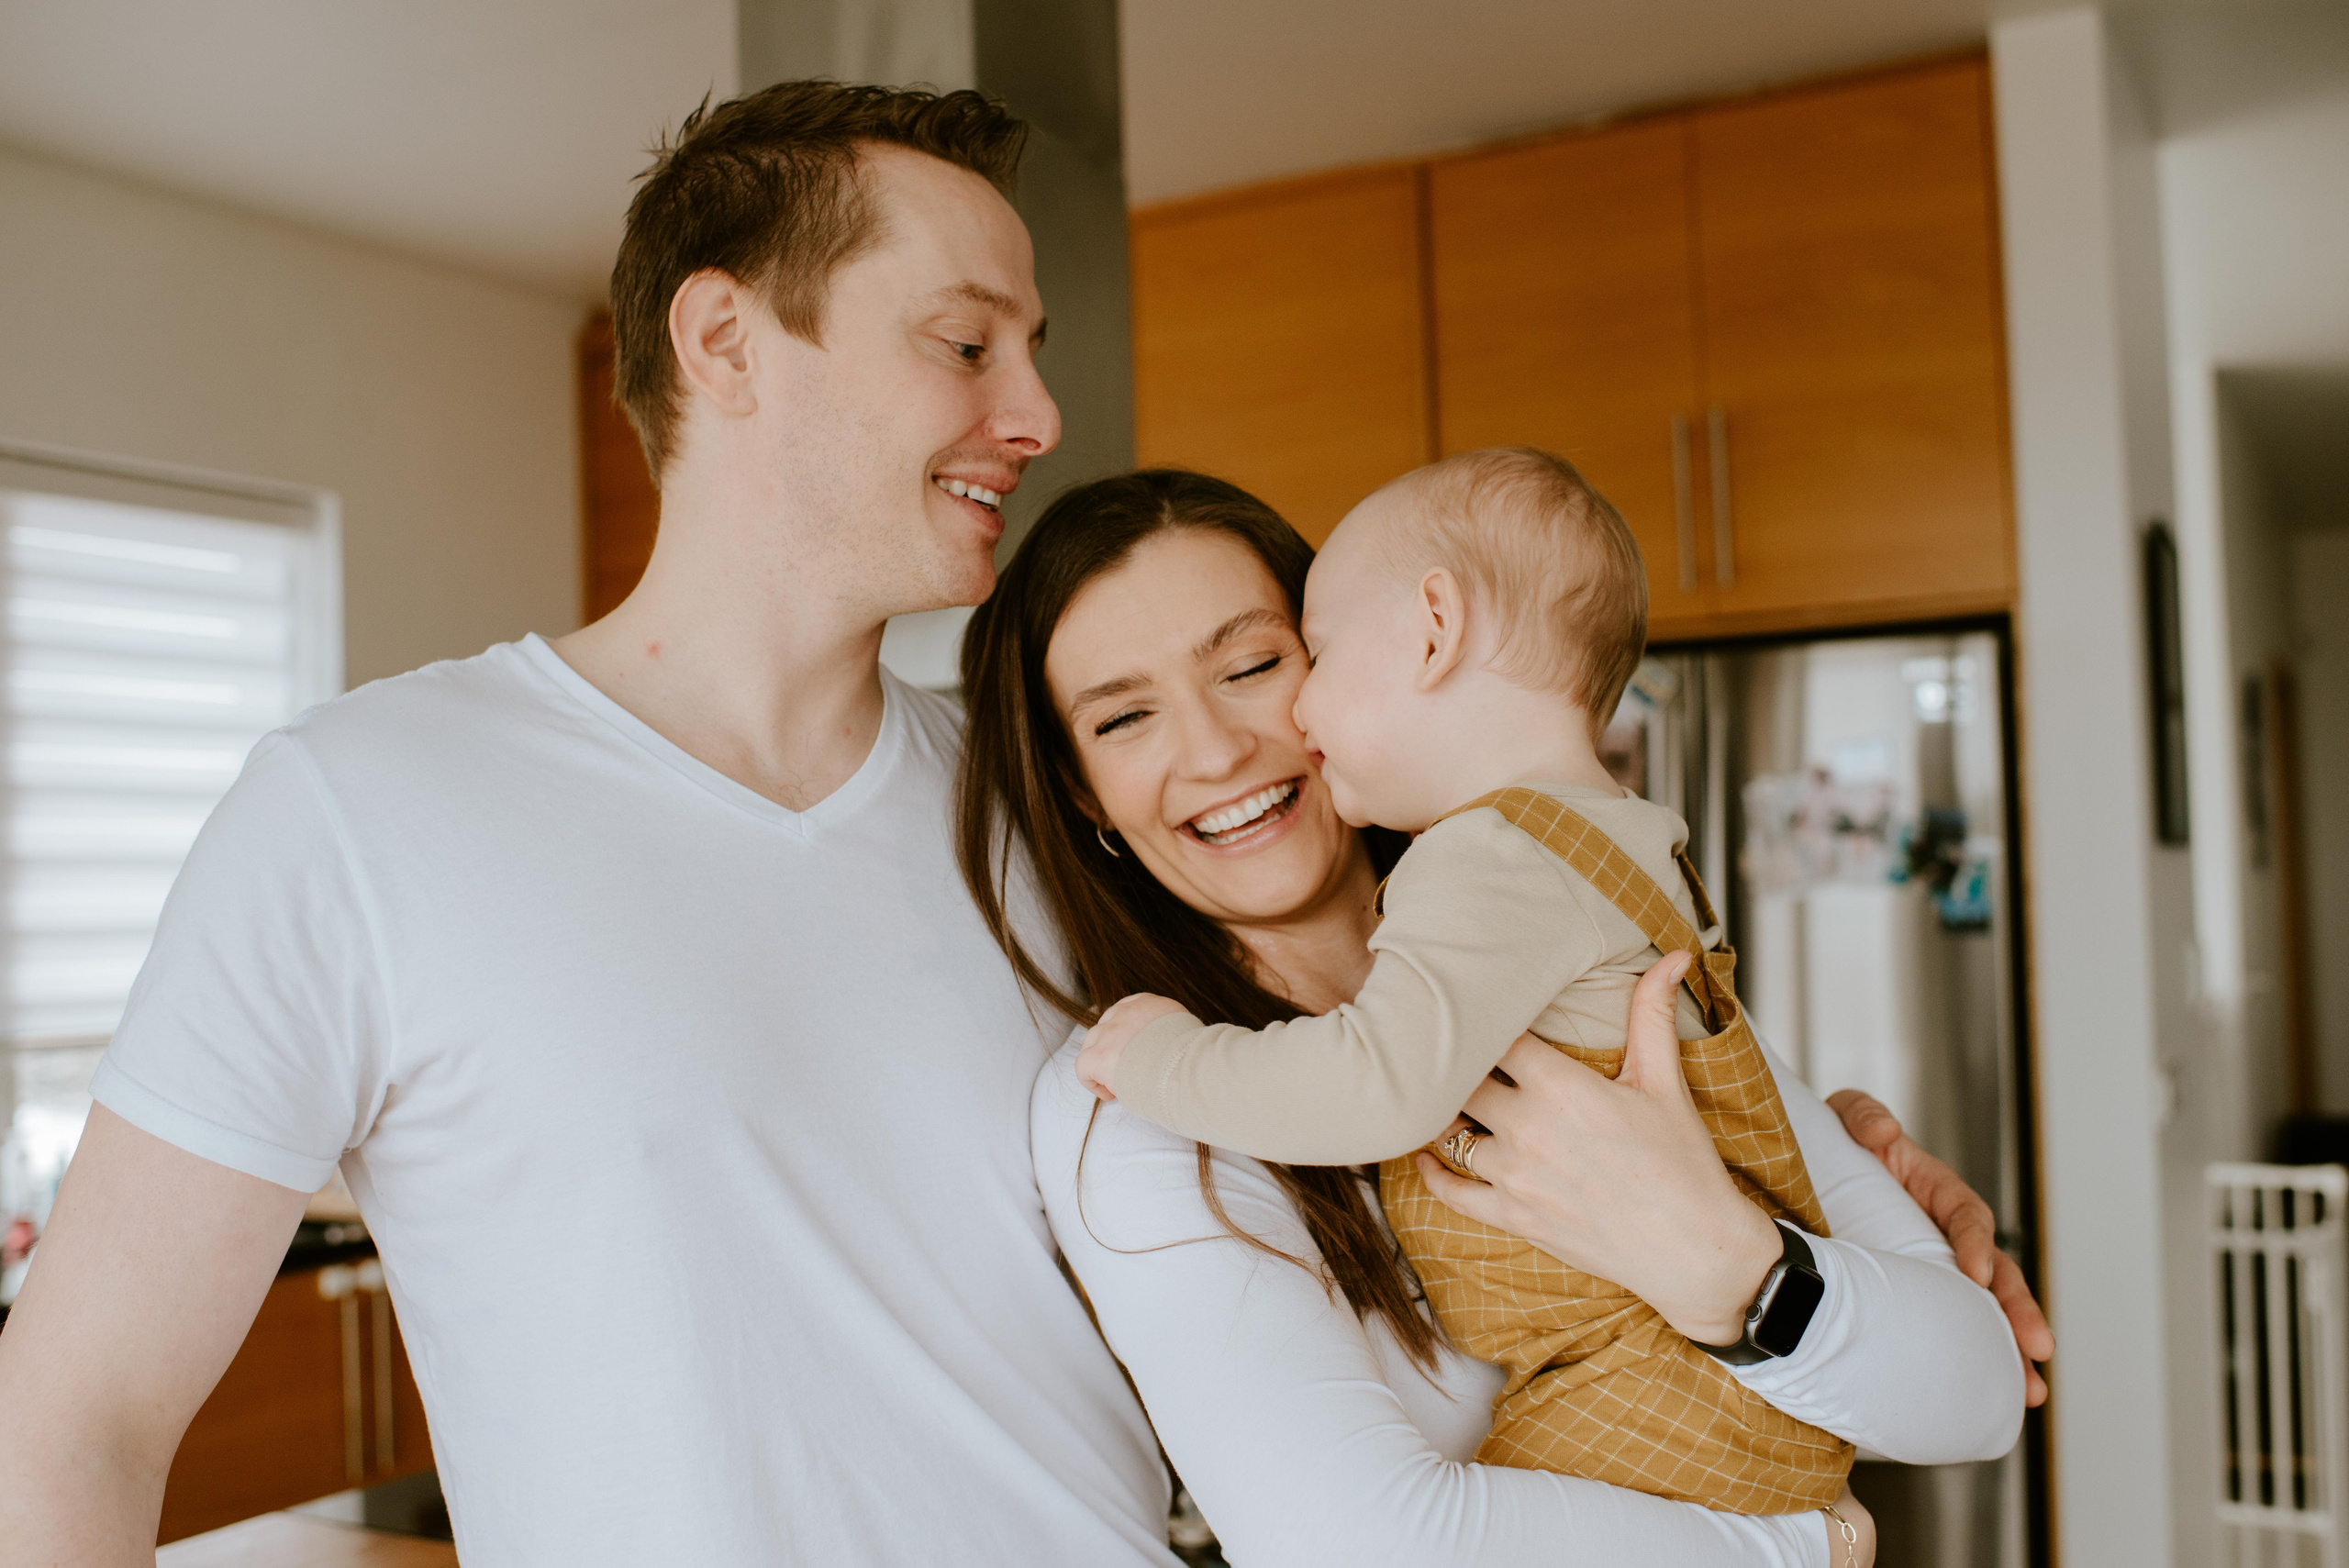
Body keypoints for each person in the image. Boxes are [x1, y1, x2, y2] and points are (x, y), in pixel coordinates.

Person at [0, 78, 2047, 1568]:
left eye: (1033, 349)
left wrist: (1827, 1210)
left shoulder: (1073, 826)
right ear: (725, 341)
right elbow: (76, 1412)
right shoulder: (364, 811)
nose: (1040, 413)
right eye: (964, 342)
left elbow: (1437, 1085)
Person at [957, 469, 2036, 1565]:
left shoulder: (1582, 944)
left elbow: (1979, 1391)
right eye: (1124, 717)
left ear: (1378, 649)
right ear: (1083, 791)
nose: (1215, 749)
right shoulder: (1139, 1106)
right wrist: (1809, 1547)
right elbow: (1356, 1548)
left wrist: (1728, 1263)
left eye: (1253, 666)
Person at [1072, 446, 1856, 1515]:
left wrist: (1161, 1058)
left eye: (1293, 659)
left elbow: (1376, 1085)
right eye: (1122, 715)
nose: (1273, 729)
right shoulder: (1624, 838)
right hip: (1720, 1387)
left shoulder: (1490, 861)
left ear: (1434, 628)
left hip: (1637, 1371)